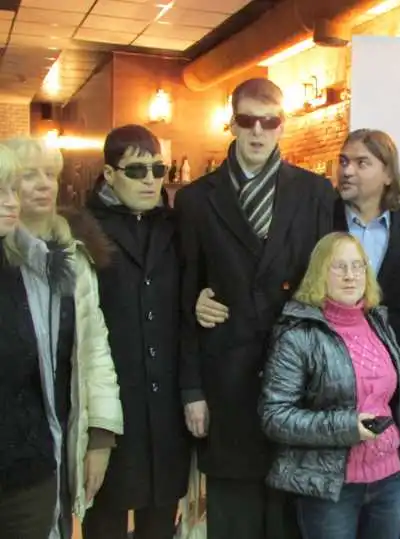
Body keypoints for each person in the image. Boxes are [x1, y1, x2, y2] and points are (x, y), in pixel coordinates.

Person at [195, 128, 400, 539]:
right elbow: (267, 273)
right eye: (343, 161)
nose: (347, 171)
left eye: (361, 163)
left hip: (387, 392)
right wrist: (203, 294)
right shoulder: (317, 216)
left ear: (388, 174)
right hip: (320, 398)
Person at [174, 77, 336, 539]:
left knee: (289, 519)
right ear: (232, 124)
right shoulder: (196, 200)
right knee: (233, 518)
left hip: (295, 380)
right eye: (248, 120)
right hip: (226, 378)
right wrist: (191, 390)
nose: (258, 131)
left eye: (269, 121)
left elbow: (327, 288)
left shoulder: (315, 194)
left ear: (282, 125)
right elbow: (183, 297)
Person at [259, 232, 400, 539]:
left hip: (388, 481)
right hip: (330, 489)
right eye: (338, 266)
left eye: (357, 265)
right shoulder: (298, 335)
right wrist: (347, 426)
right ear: (319, 274)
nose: (350, 275)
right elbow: (275, 417)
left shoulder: (378, 323)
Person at [2, 136, 123, 538]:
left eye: (50, 175)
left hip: (51, 440)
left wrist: (101, 434)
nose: (43, 184)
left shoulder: (74, 256)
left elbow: (94, 350)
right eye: (28, 175)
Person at [81, 125, 191, 539]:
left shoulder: (175, 227)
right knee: (104, 519)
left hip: (165, 409)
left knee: (160, 521)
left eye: (158, 170)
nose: (150, 180)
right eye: (137, 170)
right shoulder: (83, 229)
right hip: (111, 403)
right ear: (110, 174)